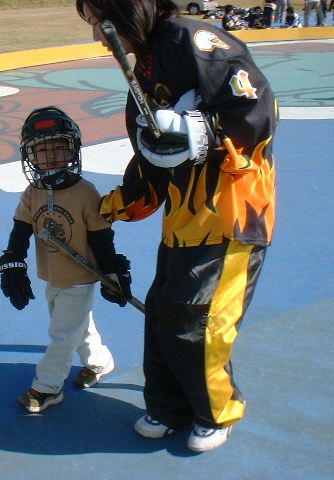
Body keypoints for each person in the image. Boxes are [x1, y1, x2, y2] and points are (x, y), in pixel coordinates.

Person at [77, 0, 277, 453]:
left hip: (231, 216)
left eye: (99, 22)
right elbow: (149, 163)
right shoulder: (142, 78)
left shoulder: (193, 41)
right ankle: (168, 408)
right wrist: (107, 208)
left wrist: (198, 129)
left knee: (197, 317)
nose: (95, 36)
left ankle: (215, 411)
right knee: (163, 314)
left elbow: (257, 109)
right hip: (182, 223)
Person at [0, 106, 133, 413]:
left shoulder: (85, 192)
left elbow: (101, 238)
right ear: (30, 156)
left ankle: (47, 387)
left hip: (80, 278)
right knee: (76, 325)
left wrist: (112, 271)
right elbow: (20, 230)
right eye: (42, 150)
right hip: (53, 275)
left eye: (59, 147)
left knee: (62, 333)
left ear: (73, 150)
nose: (51, 156)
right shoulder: (32, 192)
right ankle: (99, 361)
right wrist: (12, 260)